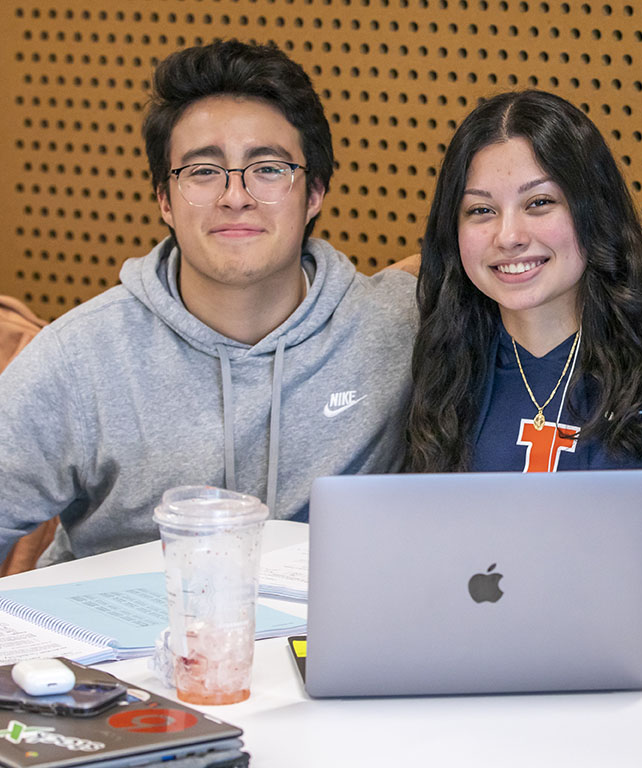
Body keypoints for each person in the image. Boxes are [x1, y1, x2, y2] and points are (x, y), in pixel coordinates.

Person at [0, 40, 417, 564]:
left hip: (325, 643)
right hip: (124, 638)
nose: (235, 196)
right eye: (202, 171)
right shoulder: (78, 360)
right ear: (164, 201)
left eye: (267, 168)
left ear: (313, 194)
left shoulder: (397, 326)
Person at [403, 90, 642, 571]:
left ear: (594, 211)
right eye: (481, 211)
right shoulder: (443, 370)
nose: (508, 235)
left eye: (540, 202)